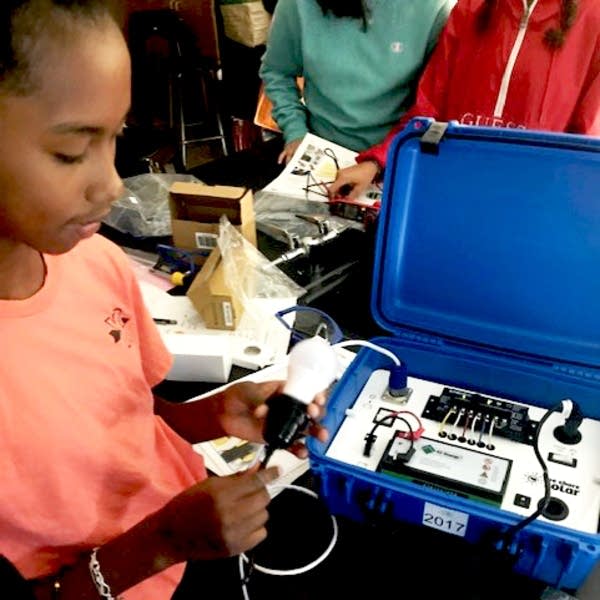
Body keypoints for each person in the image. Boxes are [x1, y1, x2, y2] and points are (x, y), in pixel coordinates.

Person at [0, 2, 327, 599]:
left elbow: (128, 417)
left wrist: (216, 414)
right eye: (72, 152)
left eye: (115, 138)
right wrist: (162, 543)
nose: (112, 186)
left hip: (192, 524)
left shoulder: (94, 262)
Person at [328, 0, 600, 200]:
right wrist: (376, 163)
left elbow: (584, 144)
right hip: (450, 190)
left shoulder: (593, 20)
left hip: (530, 203)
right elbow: (427, 109)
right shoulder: (471, 9)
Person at [259, 0, 456, 164]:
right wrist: (296, 132)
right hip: (320, 147)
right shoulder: (299, 5)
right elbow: (277, 71)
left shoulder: (435, 8)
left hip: (397, 153)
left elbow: (431, 103)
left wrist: (380, 159)